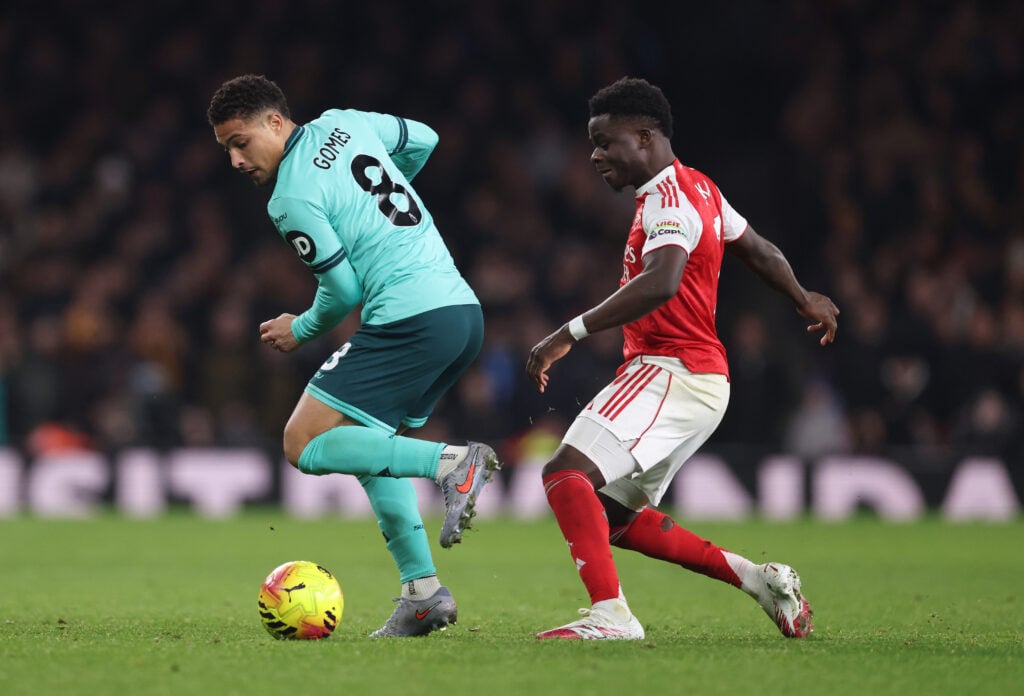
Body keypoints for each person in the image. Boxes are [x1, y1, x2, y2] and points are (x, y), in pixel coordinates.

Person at [526, 77, 839, 640]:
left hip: (671, 370)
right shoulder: (701, 189)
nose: (596, 155)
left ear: (645, 136)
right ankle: (759, 579)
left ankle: (612, 616)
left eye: (605, 141)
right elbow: (759, 250)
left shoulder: (669, 200)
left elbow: (662, 280)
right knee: (615, 519)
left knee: (565, 473)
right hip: (697, 381)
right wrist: (803, 297)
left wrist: (567, 332)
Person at [207, 75, 500, 638]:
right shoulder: (347, 122)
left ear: (275, 121)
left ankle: (452, 463)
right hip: (462, 314)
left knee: (302, 441)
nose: (236, 159)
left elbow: (342, 291)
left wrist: (303, 328)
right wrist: (374, 208)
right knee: (373, 449)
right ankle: (422, 594)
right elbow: (425, 139)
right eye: (226, 149)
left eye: (240, 142)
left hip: (409, 318)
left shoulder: (289, 196)